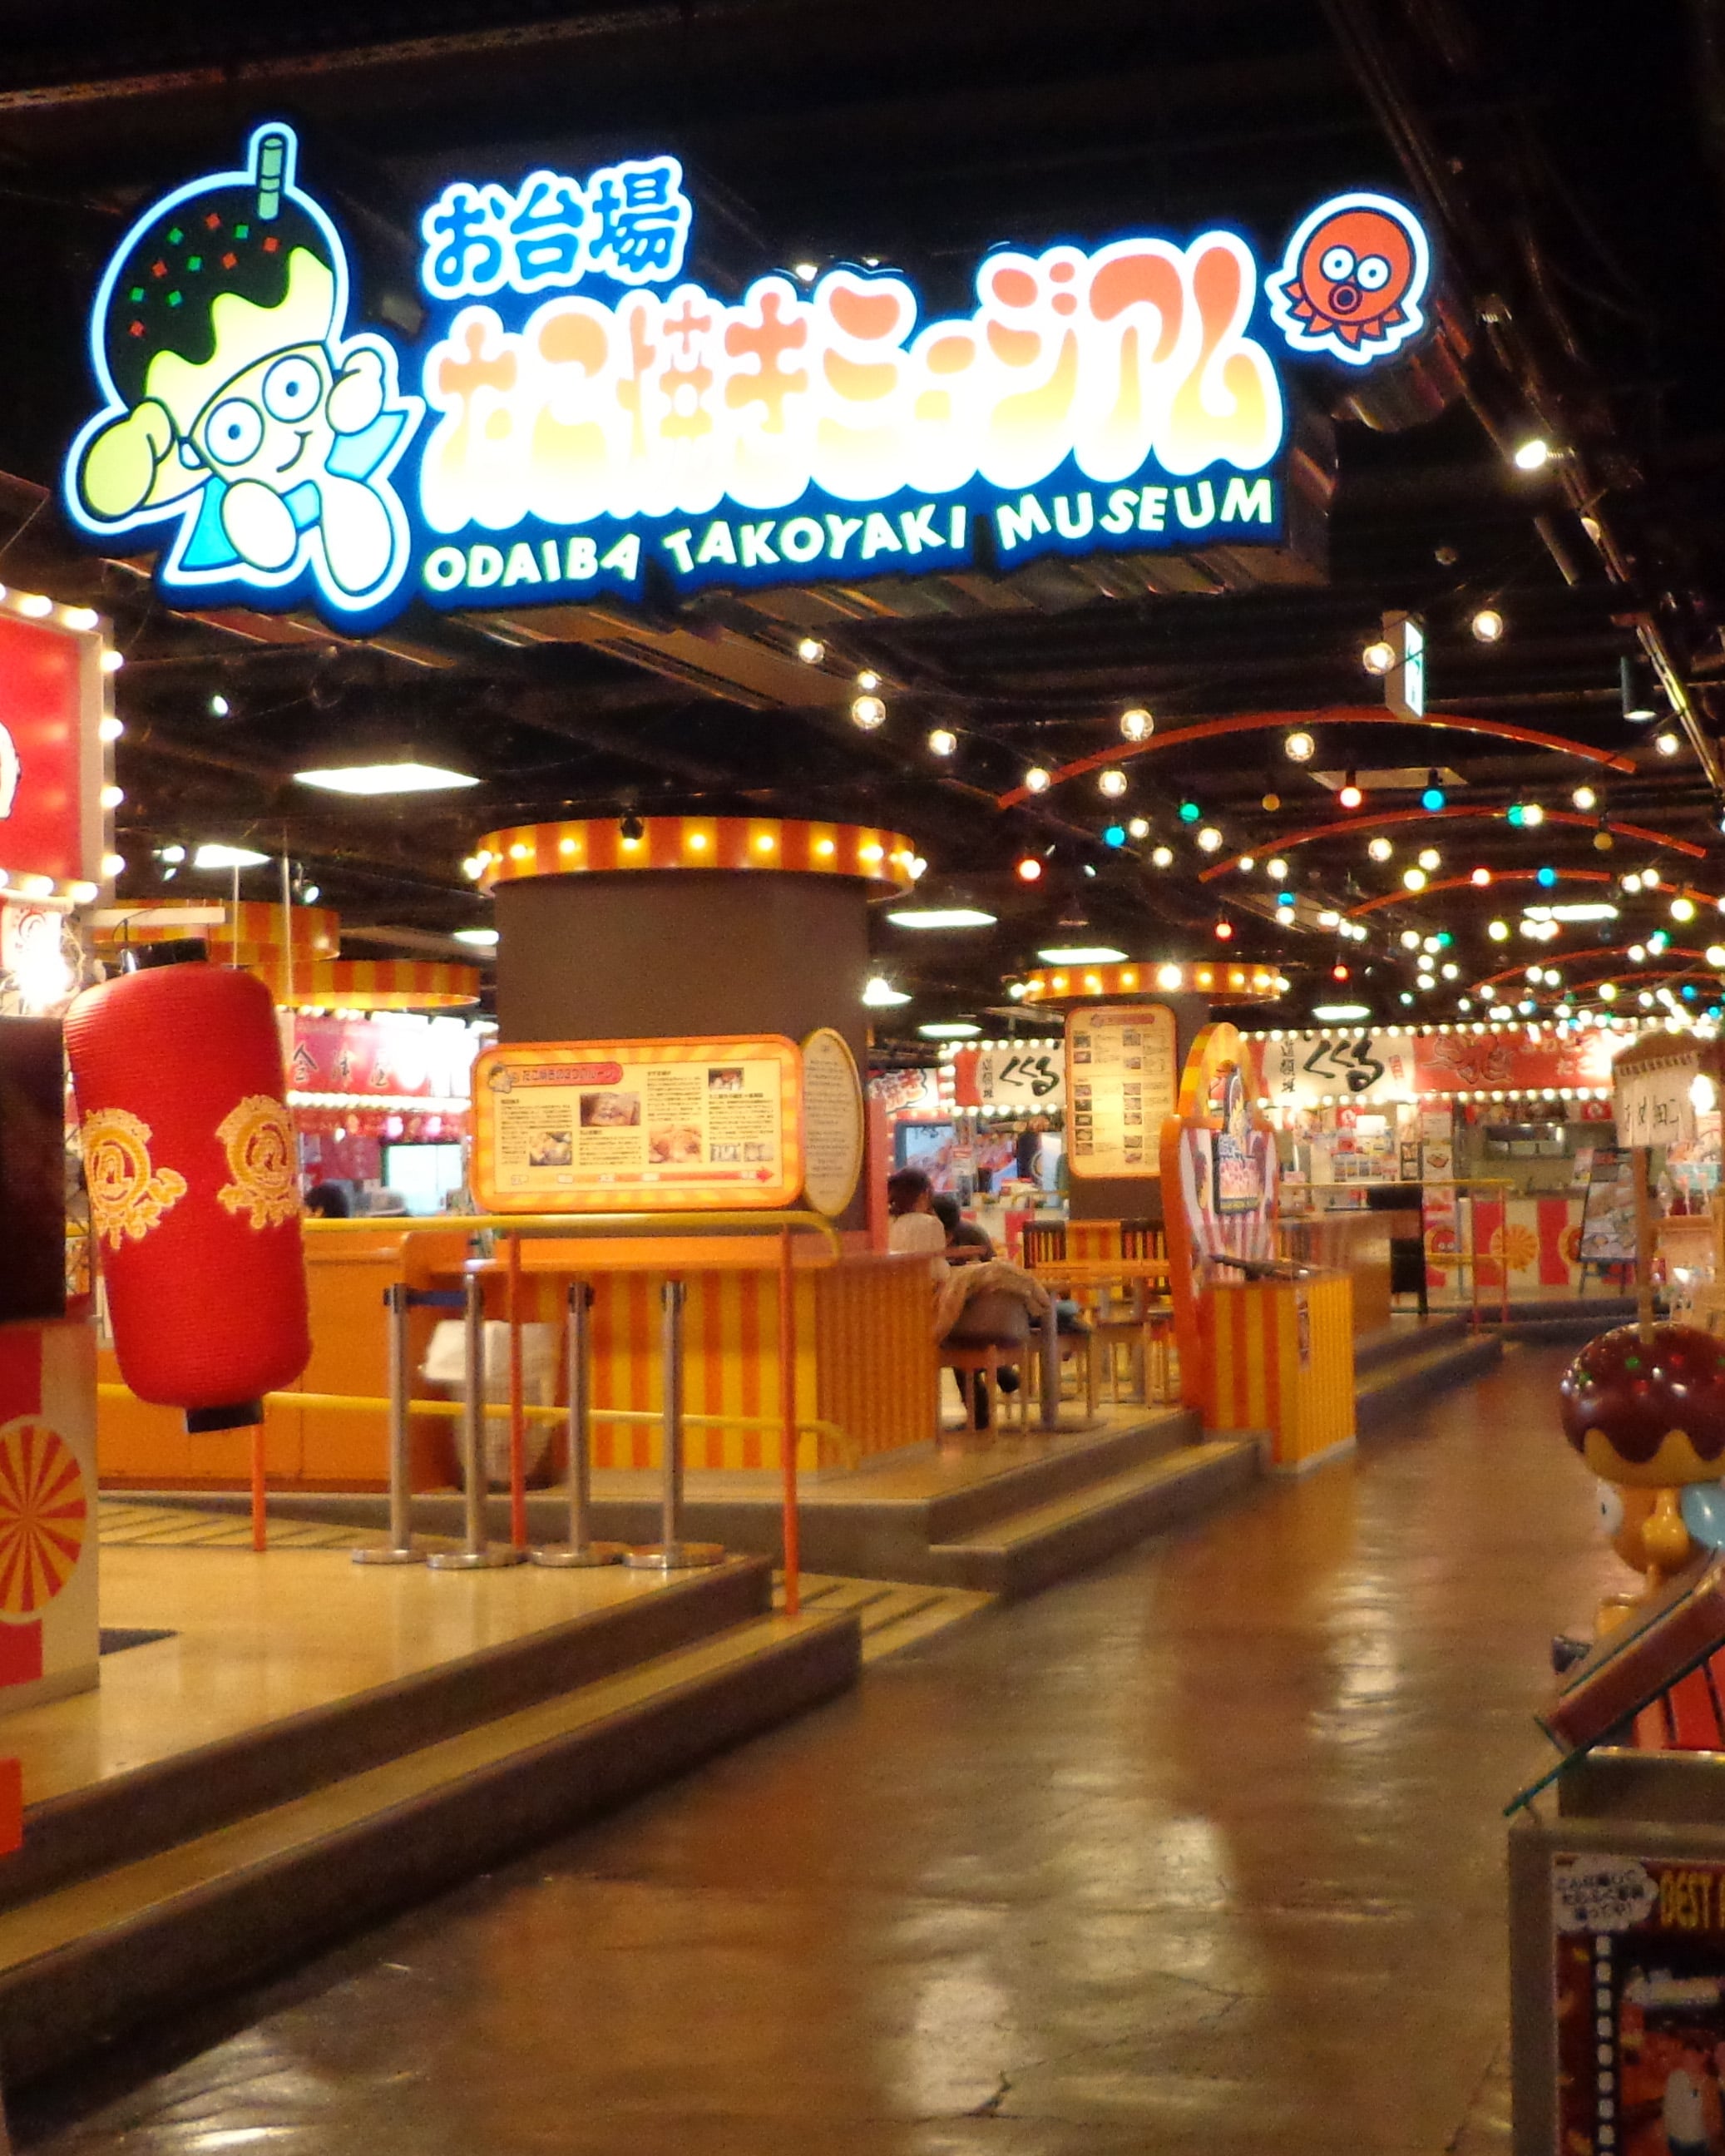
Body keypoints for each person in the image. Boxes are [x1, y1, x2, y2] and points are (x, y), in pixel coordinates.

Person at [887, 1167, 947, 1266]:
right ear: (925, 1193)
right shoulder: (931, 1223)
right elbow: (938, 1269)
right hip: (921, 1276)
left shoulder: (885, 1221)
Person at [1663, 2037, 1711, 2156]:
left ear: (1700, 2058)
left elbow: (1696, 2108)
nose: (1688, 2061)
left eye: (1691, 2057)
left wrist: (1695, 2085)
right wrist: (1668, 2133)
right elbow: (1668, 2108)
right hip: (1675, 2139)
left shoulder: (1708, 2082)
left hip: (1698, 2142)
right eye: (1685, 2057)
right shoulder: (1675, 2078)